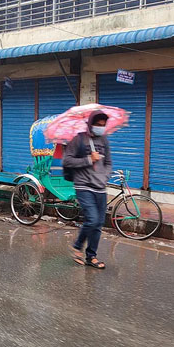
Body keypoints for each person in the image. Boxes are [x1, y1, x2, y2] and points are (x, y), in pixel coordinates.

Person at [63, 111, 112, 269]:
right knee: (92, 219)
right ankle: (77, 246)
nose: (101, 128)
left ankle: (91, 256)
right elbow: (67, 160)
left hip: (100, 187)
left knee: (98, 224)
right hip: (83, 185)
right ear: (91, 123)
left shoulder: (104, 140)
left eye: (103, 125)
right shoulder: (79, 139)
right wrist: (89, 159)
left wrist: (105, 177)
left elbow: (109, 162)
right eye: (98, 124)